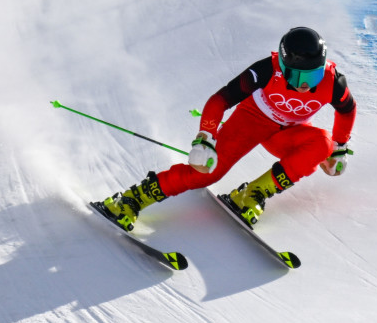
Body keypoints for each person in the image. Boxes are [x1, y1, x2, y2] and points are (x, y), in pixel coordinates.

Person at [102, 27, 356, 230]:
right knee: (206, 173)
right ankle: (130, 199)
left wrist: (339, 147)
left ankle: (251, 194)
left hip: (288, 133)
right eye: (299, 77)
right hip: (251, 121)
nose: (305, 85)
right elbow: (220, 100)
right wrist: (205, 138)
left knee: (323, 144)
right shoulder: (267, 70)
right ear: (284, 66)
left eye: (314, 76)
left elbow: (347, 109)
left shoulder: (333, 83)